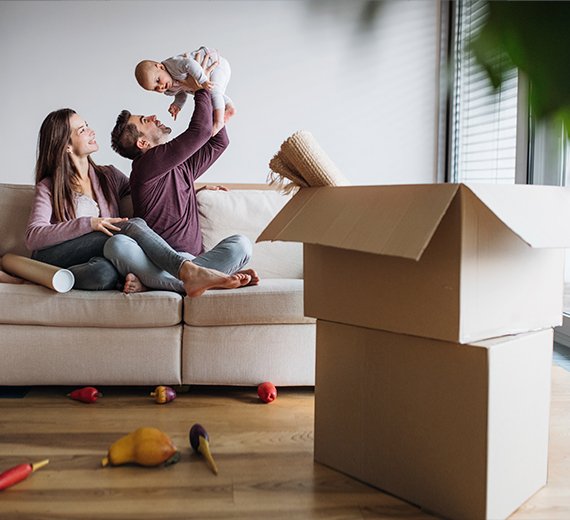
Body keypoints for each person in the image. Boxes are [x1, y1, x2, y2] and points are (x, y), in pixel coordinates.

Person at [25, 108, 251, 296]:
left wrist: (193, 190)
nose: (91, 131)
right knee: (128, 228)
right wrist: (90, 223)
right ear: (66, 145)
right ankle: (188, 273)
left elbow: (148, 191)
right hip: (57, 256)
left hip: (98, 259)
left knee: (105, 272)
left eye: (87, 125)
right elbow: (33, 236)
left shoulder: (108, 175)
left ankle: (177, 278)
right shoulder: (49, 186)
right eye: (82, 129)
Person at [110, 52, 258, 295]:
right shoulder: (146, 166)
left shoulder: (181, 167)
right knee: (117, 244)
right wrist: (199, 87)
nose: (154, 117)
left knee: (242, 244)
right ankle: (197, 278)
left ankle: (166, 282)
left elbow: (218, 142)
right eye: (145, 120)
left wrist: (210, 91)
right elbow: (200, 132)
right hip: (158, 262)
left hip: (195, 261)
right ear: (143, 145)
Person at [135, 46, 235, 135]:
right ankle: (229, 107)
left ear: (160, 67)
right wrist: (178, 104)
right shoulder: (168, 90)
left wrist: (203, 80)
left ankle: (218, 122)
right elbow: (181, 93)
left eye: (158, 80)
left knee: (214, 92)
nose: (160, 87)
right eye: (155, 89)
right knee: (215, 94)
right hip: (208, 75)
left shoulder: (172, 65)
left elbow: (190, 63)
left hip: (215, 65)